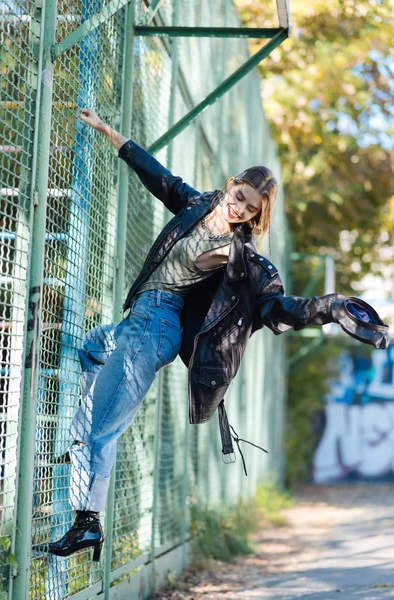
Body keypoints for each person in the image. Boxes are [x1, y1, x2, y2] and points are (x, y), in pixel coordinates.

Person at [41, 108, 389, 562]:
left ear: (256, 216)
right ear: (230, 184)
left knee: (96, 434)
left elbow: (273, 304)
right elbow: (160, 178)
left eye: (249, 208)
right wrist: (111, 133)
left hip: (154, 331)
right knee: (90, 349)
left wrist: (329, 308)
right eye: (239, 195)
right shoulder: (199, 205)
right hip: (135, 321)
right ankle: (83, 444)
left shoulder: (241, 257)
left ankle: (88, 520)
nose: (239, 208)